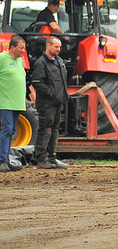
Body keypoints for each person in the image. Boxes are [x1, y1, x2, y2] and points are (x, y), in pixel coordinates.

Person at [31, 36, 68, 169]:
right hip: (47, 103)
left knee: (55, 130)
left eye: (60, 47)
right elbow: (37, 83)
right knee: (45, 129)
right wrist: (51, 94)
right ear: (48, 46)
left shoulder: (59, 61)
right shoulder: (41, 63)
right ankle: (42, 159)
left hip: (58, 102)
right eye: (56, 47)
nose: (59, 49)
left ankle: (51, 157)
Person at [0, 35, 27, 173]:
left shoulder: (20, 61)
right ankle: (2, 161)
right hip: (5, 102)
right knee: (6, 129)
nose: (23, 51)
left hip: (17, 103)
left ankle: (6, 159)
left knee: (11, 131)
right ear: (12, 47)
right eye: (21, 48)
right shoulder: (2, 58)